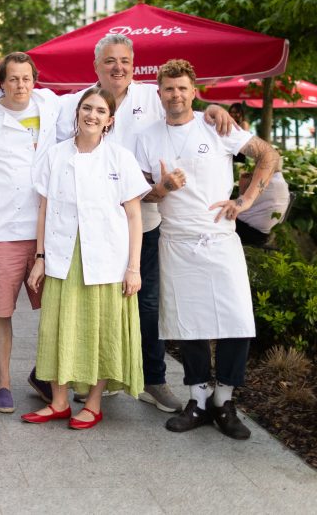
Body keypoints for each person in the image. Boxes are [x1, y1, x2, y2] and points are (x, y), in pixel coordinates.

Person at [43, 33, 233, 414]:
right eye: (110, 61)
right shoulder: (77, 103)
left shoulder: (150, 96)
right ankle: (94, 376)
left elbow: (185, 108)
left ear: (134, 63)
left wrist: (215, 109)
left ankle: (154, 380)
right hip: (92, 226)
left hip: (143, 218)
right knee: (90, 305)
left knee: (147, 303)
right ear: (96, 66)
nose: (118, 67)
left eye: (125, 60)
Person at [135, 59, 280, 440]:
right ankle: (198, 399)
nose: (176, 94)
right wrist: (163, 187)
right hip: (176, 241)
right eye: (169, 88)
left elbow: (268, 155)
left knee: (236, 321)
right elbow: (143, 193)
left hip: (219, 238)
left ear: (194, 91)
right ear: (160, 93)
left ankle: (224, 400)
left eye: (182, 87)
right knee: (188, 323)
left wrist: (246, 200)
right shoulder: (147, 137)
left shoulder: (216, 125)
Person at [21, 87, 149, 429]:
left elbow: (134, 217)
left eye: (100, 111)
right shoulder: (55, 154)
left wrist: (133, 267)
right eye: (86, 108)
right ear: (77, 113)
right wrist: (40, 257)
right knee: (58, 327)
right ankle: (59, 401)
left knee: (101, 329)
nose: (92, 115)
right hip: (63, 254)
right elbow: (44, 209)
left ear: (109, 120)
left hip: (108, 258)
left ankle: (93, 403)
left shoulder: (120, 158)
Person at [0, 52, 60, 413]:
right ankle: (3, 381)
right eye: (13, 79)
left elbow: (98, 99)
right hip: (0, 228)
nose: (21, 86)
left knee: (53, 308)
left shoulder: (51, 105)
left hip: (48, 229)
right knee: (0, 309)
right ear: (0, 83)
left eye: (26, 78)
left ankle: (46, 374)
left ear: (35, 80)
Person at [235, 163, 290, 247]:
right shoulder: (282, 183)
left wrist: (243, 184)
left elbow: (239, 205)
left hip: (248, 232)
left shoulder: (267, 182)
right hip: (261, 233)